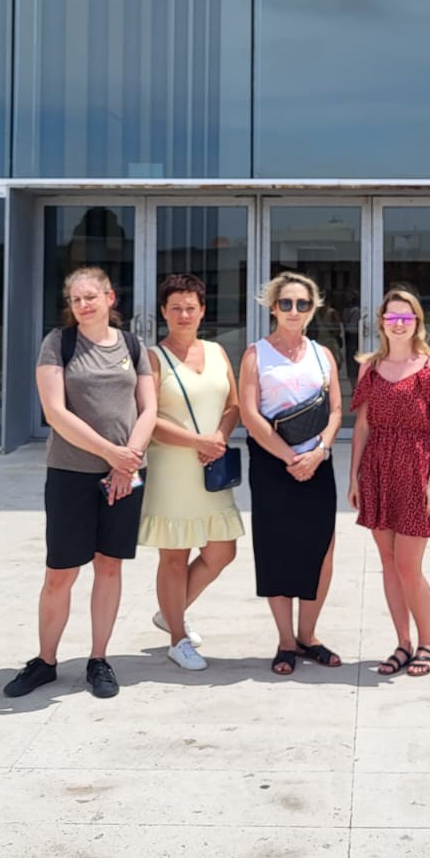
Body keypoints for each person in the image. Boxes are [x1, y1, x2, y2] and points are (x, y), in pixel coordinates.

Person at [5, 266, 156, 700]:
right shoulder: (58, 343)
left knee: (109, 566)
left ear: (110, 298)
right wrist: (112, 455)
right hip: (71, 474)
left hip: (126, 475)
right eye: (76, 299)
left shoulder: (133, 345)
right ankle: (45, 661)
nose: (83, 305)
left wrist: (127, 462)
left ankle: (99, 660)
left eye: (91, 296)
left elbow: (148, 409)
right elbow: (55, 413)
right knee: (61, 573)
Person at [239, 271, 344, 675]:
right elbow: (250, 415)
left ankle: (308, 635)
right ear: (273, 307)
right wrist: (289, 458)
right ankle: (285, 640)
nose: (294, 311)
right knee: (276, 548)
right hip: (273, 463)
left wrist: (319, 452)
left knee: (320, 549)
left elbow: (336, 410)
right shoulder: (256, 355)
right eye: (286, 303)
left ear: (313, 308)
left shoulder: (323, 354)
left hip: (318, 462)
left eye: (302, 304)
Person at [139, 273, 245, 672]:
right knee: (174, 554)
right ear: (163, 312)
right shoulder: (153, 358)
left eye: (190, 307)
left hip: (210, 464)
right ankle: (177, 640)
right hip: (172, 470)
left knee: (222, 550)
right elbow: (147, 418)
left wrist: (218, 437)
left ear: (203, 311)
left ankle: (171, 611)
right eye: (175, 308)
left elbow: (233, 405)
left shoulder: (217, 351)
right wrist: (196, 441)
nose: (183, 315)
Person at [348, 288, 430, 679]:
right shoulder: (369, 368)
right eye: (392, 317)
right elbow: (362, 427)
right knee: (388, 564)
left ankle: (427, 642)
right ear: (381, 323)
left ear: (417, 322)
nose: (398, 324)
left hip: (415, 469)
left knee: (408, 566)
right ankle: (403, 643)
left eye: (406, 317)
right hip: (377, 470)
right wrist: (354, 476)